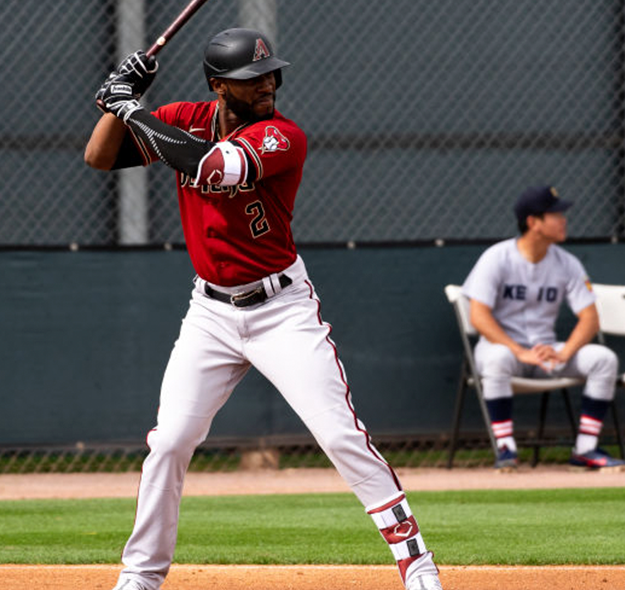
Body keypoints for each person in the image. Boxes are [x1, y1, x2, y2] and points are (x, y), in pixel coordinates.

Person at [84, 28, 443, 590]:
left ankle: (417, 564)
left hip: (282, 310)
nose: (268, 84)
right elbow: (99, 157)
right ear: (218, 86)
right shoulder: (185, 115)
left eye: (270, 73)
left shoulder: (283, 136)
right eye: (252, 79)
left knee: (340, 434)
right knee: (171, 440)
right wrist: (115, 102)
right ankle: (140, 577)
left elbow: (211, 168)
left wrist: (132, 108)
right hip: (209, 313)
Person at [461, 186, 625, 472]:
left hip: (546, 353)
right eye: (555, 214)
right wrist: (519, 351)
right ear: (533, 222)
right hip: (505, 351)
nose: (563, 220)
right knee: (497, 357)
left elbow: (590, 317)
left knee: (603, 359)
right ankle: (505, 448)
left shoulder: (567, 262)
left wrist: (565, 353)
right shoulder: (496, 257)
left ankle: (585, 449)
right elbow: (479, 316)